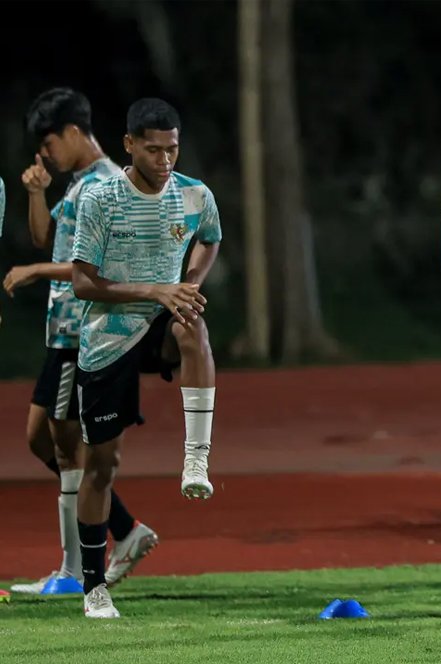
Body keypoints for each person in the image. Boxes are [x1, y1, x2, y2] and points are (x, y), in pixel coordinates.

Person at [71, 97, 221, 618]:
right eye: (153, 150)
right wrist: (156, 289)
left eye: (172, 150)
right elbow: (82, 282)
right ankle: (93, 587)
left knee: (192, 324)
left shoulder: (195, 195)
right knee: (101, 468)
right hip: (107, 336)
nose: (164, 161)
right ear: (129, 145)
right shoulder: (101, 199)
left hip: (158, 320)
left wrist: (188, 285)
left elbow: (209, 240)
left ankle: (196, 458)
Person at [5, 88, 157, 597]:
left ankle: (72, 572)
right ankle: (126, 530)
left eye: (48, 144)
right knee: (39, 438)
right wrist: (34, 193)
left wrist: (32, 272)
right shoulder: (76, 185)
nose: (44, 154)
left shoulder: (109, 186)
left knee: (70, 448)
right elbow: (47, 241)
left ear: (73, 132)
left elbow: (85, 268)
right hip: (62, 331)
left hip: (84, 334)